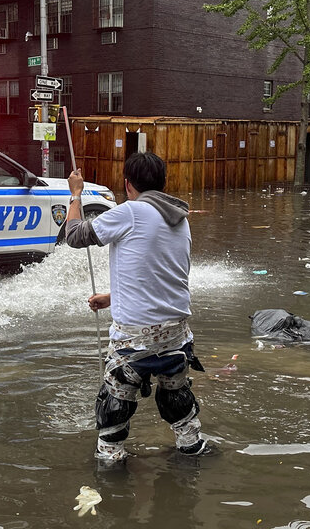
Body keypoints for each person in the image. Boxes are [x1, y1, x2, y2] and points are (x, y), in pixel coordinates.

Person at [63, 152, 207, 463]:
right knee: (178, 403)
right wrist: (114, 297)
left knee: (113, 410)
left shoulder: (130, 212)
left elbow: (73, 236)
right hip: (177, 336)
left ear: (128, 185)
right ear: (162, 183)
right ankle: (193, 451)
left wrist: (75, 194)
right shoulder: (180, 219)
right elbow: (162, 275)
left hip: (134, 339)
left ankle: (112, 476)